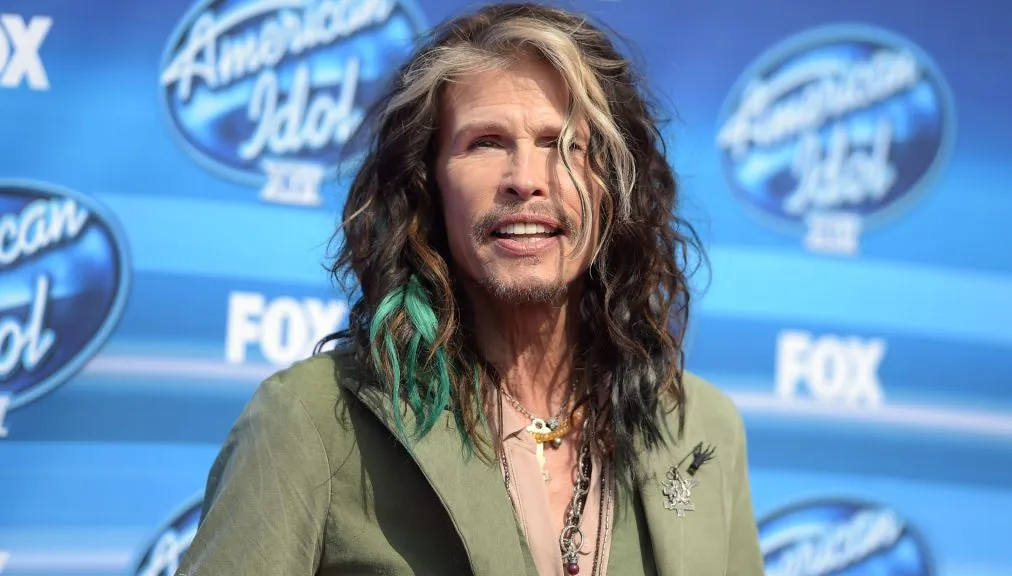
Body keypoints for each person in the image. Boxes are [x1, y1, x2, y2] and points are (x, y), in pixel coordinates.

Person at [177, 3, 764, 575]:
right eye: (486, 142)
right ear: (428, 185)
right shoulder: (310, 419)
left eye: (563, 144)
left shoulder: (702, 428)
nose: (526, 180)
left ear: (613, 187)